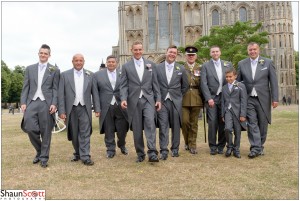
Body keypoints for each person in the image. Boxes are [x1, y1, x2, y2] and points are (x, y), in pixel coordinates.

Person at [120, 41, 161, 163]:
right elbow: (123, 86)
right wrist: (123, 99)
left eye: (140, 49)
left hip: (148, 99)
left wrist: (158, 99)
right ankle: (140, 153)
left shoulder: (151, 65)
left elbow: (156, 84)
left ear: (143, 50)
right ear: (131, 50)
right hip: (134, 101)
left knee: (150, 124)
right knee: (137, 128)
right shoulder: (126, 66)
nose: (138, 52)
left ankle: (152, 152)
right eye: (135, 50)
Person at [20, 44, 60, 168]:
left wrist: (54, 103)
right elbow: (25, 87)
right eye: (41, 53)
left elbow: (55, 89)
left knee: (46, 131)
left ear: (49, 55)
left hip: (47, 103)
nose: (43, 55)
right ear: (38, 54)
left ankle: (43, 158)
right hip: (32, 102)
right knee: (30, 128)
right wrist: (23, 102)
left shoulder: (54, 70)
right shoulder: (29, 68)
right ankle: (39, 150)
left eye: (45, 53)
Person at [237, 42, 279, 158]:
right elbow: (239, 83)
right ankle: (255, 148)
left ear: (258, 50)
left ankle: (260, 146)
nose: (252, 51)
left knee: (263, 124)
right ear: (248, 51)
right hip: (249, 98)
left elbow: (273, 82)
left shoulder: (268, 62)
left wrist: (275, 98)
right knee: (252, 123)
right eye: (250, 50)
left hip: (263, 99)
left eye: (254, 49)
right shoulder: (242, 64)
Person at [58, 54, 96, 166]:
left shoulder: (90, 75)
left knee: (85, 133)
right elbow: (61, 95)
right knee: (74, 133)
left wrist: (97, 108)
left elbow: (95, 93)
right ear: (72, 62)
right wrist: (61, 111)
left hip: (85, 108)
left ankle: (85, 156)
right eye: (76, 60)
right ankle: (78, 153)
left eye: (80, 60)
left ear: (84, 61)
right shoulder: (64, 75)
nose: (78, 62)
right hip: (71, 109)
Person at [93, 55, 129, 159]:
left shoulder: (123, 73)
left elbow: (127, 88)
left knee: (122, 129)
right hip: (106, 106)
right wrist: (97, 108)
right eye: (109, 62)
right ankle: (110, 150)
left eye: (113, 62)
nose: (111, 63)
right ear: (106, 63)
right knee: (109, 129)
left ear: (117, 63)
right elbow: (95, 93)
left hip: (120, 105)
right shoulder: (97, 75)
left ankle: (122, 144)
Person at [156, 45, 188, 159]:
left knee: (176, 126)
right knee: (163, 126)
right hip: (162, 101)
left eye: (174, 53)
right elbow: (155, 84)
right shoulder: (157, 67)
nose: (172, 54)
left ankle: (175, 149)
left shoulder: (181, 68)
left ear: (176, 54)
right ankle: (163, 150)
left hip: (176, 101)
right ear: (166, 52)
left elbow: (185, 86)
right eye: (170, 52)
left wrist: (178, 96)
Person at [200, 45, 233, 155]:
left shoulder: (227, 64)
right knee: (212, 122)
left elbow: (231, 80)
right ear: (210, 54)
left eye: (217, 51)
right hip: (212, 99)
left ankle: (221, 145)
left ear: (220, 52)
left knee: (223, 122)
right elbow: (203, 83)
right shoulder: (205, 66)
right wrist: (208, 98)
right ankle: (213, 146)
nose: (215, 53)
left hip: (224, 98)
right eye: (213, 52)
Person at [182, 46, 204, 154]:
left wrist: (204, 99)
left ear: (196, 56)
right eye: (189, 55)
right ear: (186, 56)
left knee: (194, 123)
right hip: (184, 98)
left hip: (196, 97)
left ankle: (192, 145)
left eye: (193, 55)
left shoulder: (200, 68)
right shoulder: (181, 68)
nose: (191, 57)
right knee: (184, 122)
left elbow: (203, 84)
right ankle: (186, 141)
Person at [221, 68, 247, 158]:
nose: (228, 78)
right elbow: (223, 102)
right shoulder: (224, 87)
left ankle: (236, 149)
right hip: (227, 111)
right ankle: (229, 147)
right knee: (227, 129)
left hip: (238, 112)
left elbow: (244, 101)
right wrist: (222, 114)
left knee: (237, 131)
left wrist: (243, 114)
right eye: (227, 77)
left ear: (235, 76)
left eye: (230, 76)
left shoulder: (240, 86)